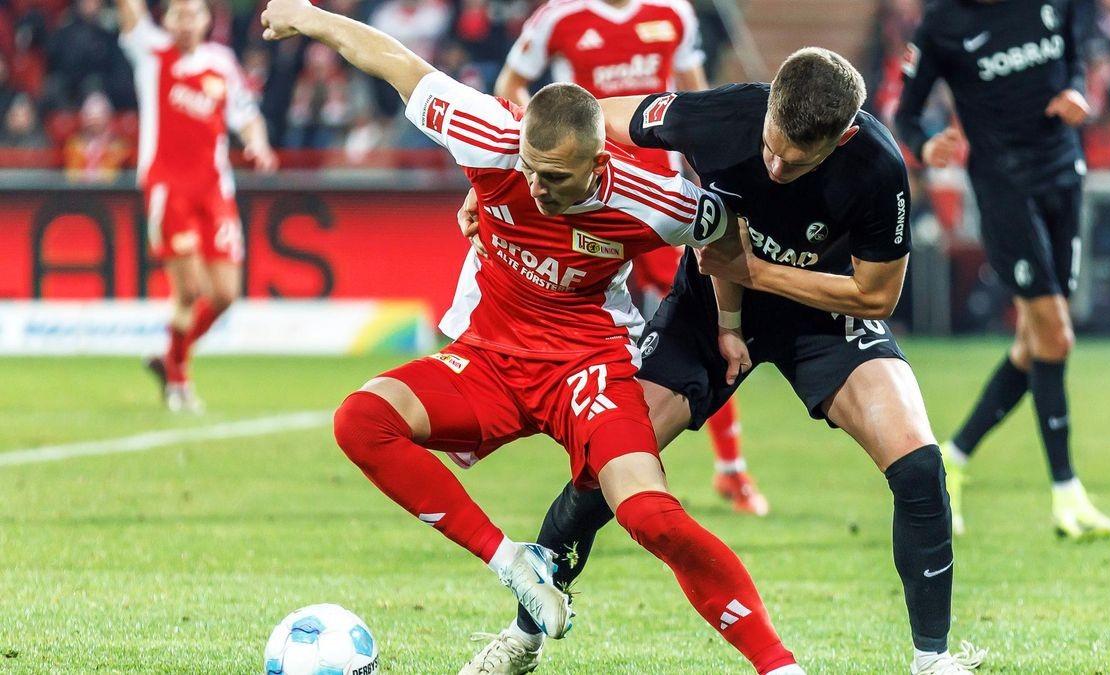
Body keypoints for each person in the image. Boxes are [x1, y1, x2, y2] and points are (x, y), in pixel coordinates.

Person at [258, 2, 804, 674]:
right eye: (532, 170)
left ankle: (780, 665)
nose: (538, 189)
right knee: (361, 421)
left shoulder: (651, 199)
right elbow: (399, 64)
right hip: (487, 359)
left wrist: (726, 324)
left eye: (557, 180)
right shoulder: (489, 134)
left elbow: (723, 231)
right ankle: (512, 559)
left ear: (600, 160)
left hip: (588, 370)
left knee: (650, 516)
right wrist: (311, 17)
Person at [460, 47, 984, 675]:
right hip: (707, 306)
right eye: (770, 146)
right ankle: (524, 639)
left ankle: (933, 662)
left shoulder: (877, 166)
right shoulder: (724, 114)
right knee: (607, 460)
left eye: (795, 161)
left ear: (841, 137)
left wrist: (760, 272)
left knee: (920, 465)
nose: (775, 163)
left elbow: (877, 295)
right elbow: (583, 118)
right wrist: (504, 186)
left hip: (822, 312)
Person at [495, 0, 767, 517]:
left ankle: (732, 471)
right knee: (579, 332)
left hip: (659, 200)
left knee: (701, 326)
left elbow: (697, 98)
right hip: (589, 201)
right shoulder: (560, 16)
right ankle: (591, 475)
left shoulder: (674, 13)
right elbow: (510, 84)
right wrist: (538, 158)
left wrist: (705, 178)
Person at [894, 0, 1110, 539]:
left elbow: (1074, 55)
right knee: (1056, 336)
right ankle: (1066, 492)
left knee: (1034, 341)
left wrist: (1076, 91)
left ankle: (955, 454)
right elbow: (907, 112)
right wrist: (927, 142)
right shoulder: (945, 24)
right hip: (1004, 188)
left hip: (1064, 172)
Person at [117, 0, 277, 413]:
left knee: (224, 294)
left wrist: (257, 143)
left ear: (208, 20)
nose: (186, 23)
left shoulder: (221, 62)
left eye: (193, 15)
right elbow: (129, 11)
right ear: (165, 20)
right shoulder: (150, 50)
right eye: (178, 15)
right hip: (168, 188)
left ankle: (170, 357)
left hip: (214, 189)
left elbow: (246, 115)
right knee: (188, 290)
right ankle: (179, 380)